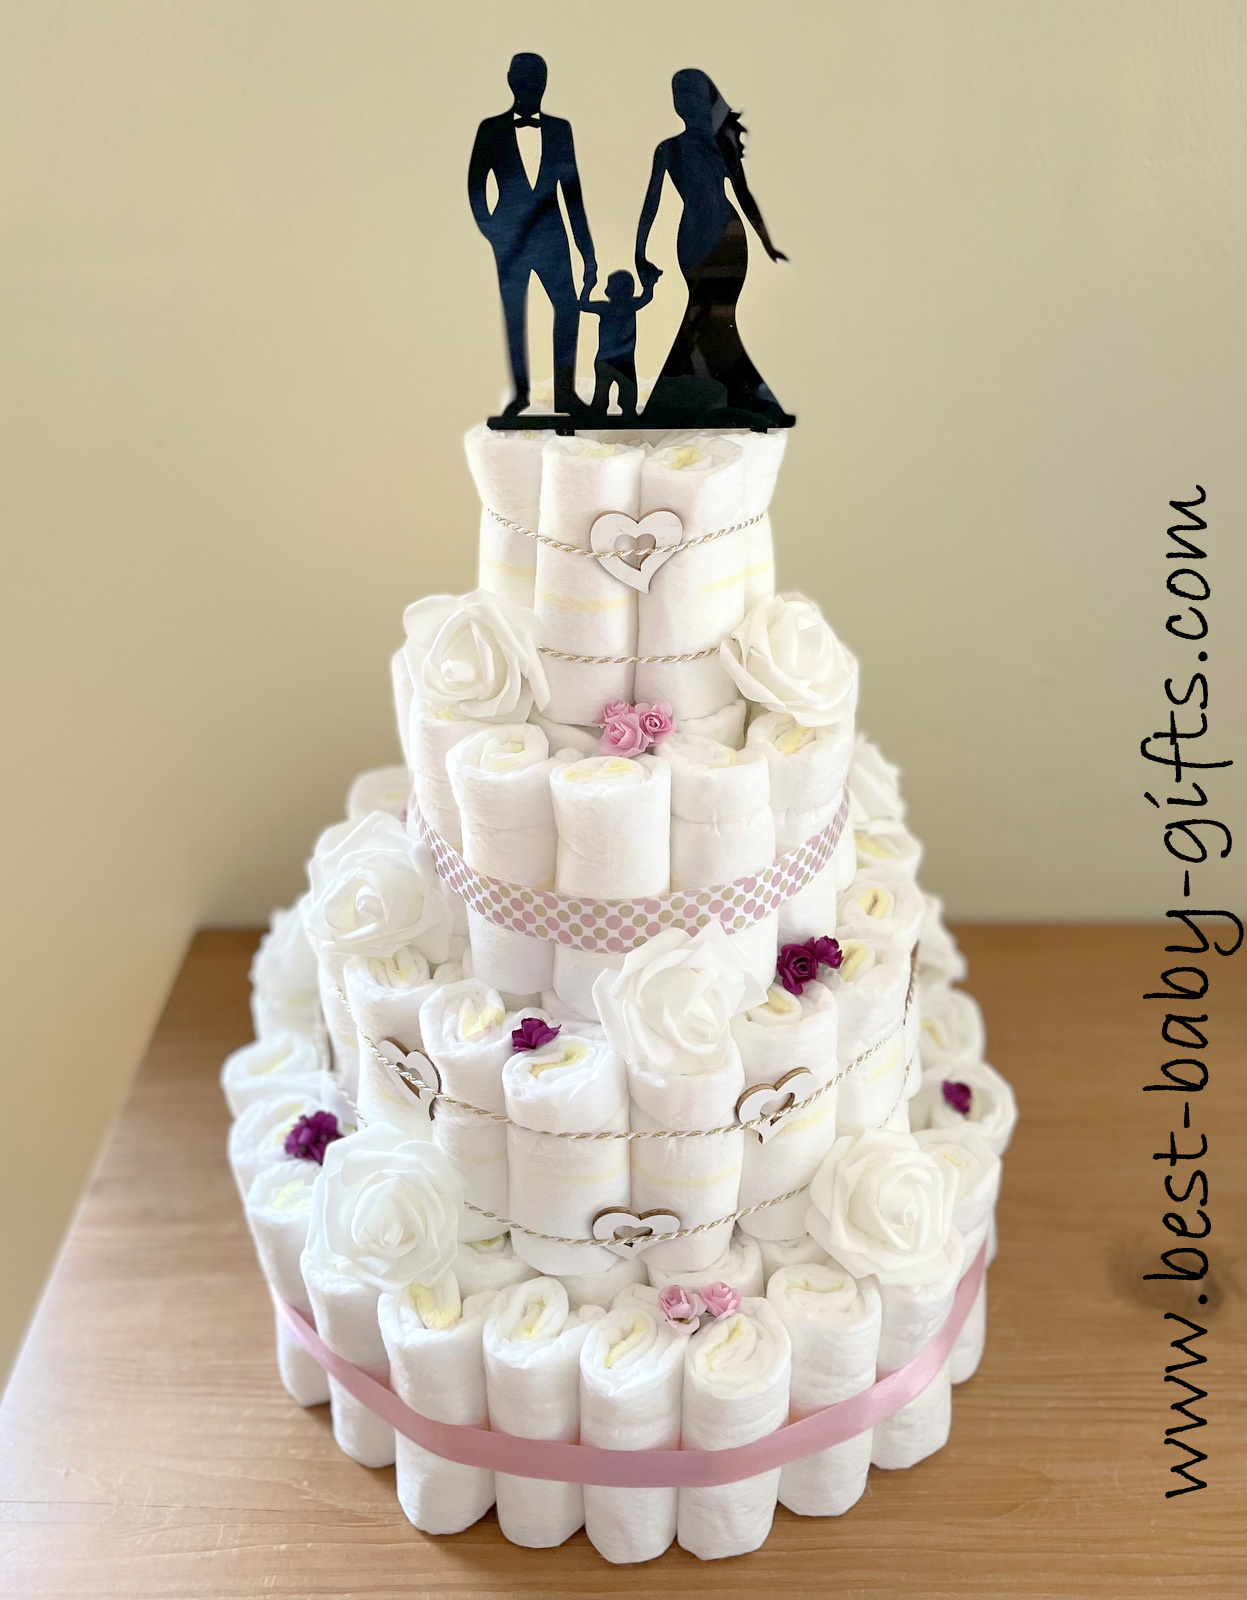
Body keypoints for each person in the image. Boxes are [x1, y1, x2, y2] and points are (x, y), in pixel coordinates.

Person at [635, 68, 792, 426]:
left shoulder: (722, 148)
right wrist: (640, 253)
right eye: (680, 96)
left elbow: (744, 194)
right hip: (690, 240)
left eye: (692, 96)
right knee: (699, 316)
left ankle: (693, 399)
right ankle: (726, 397)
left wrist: (766, 243)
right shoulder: (669, 149)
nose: (685, 103)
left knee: (714, 317)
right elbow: (650, 205)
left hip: (729, 237)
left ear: (706, 102)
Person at [467, 53, 597, 417]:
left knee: (568, 310)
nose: (532, 85)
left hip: (554, 239)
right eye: (525, 78)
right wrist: (493, 231)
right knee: (514, 317)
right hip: (510, 242)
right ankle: (521, 393)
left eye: (538, 78)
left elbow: (572, 195)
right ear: (510, 80)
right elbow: (477, 186)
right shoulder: (490, 130)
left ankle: (565, 391)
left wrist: (586, 251)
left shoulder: (559, 129)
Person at [578, 269, 656, 419]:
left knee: (614, 395)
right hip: (618, 361)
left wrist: (588, 285)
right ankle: (618, 415)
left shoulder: (609, 307)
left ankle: (609, 415)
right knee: (624, 395)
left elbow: (582, 304)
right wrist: (650, 281)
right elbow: (647, 296)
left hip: (610, 361)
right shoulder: (629, 305)